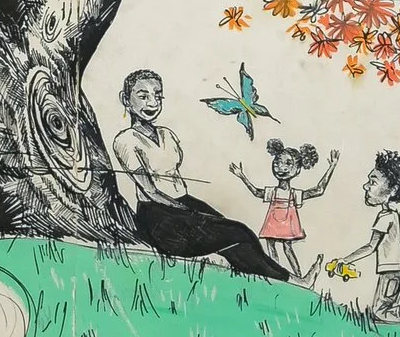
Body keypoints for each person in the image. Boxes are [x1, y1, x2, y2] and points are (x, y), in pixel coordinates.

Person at [110, 70, 289, 283]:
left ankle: (280, 278)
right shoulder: (126, 140)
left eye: (158, 96)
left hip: (183, 203)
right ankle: (281, 278)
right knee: (237, 231)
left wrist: (188, 207)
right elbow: (150, 190)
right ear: (126, 100)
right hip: (159, 215)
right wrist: (186, 210)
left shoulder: (167, 134)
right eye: (143, 96)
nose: (152, 103)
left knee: (237, 233)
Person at [230, 137, 337, 283]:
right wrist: (241, 175)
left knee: (287, 248)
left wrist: (332, 167)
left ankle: (298, 276)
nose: (281, 167)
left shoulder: (294, 193)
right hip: (273, 222)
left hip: (288, 222)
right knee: (271, 246)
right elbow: (256, 192)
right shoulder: (273, 192)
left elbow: (319, 190)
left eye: (288, 163)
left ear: (297, 169)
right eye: (277, 162)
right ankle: (276, 274)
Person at [325, 153, 400, 320]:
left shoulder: (386, 216)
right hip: (398, 271)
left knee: (380, 312)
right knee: (386, 310)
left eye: (373, 182)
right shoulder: (394, 214)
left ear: (392, 190)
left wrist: (345, 260)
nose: (366, 186)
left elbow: (370, 247)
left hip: (391, 272)